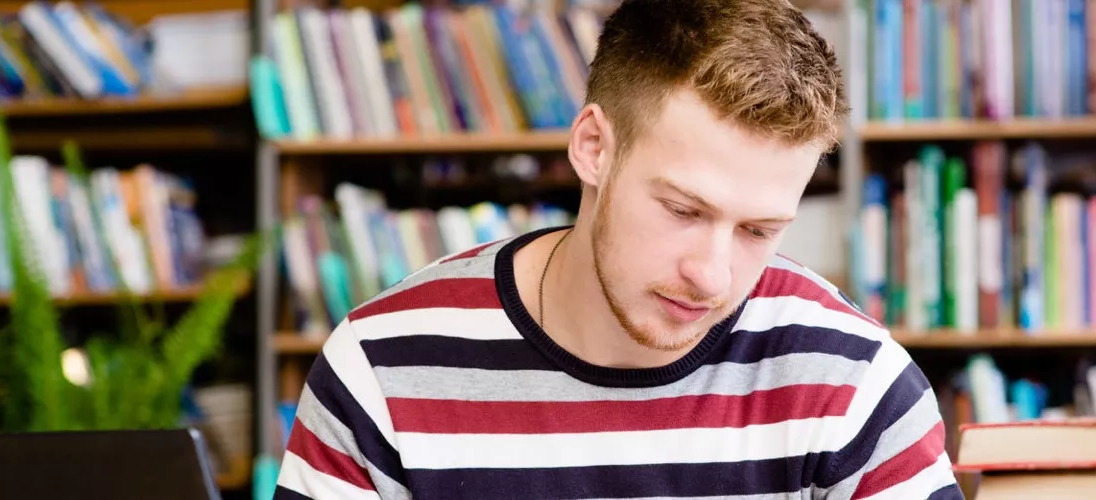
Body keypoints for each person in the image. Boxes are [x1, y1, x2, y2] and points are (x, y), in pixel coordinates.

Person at [275, 0, 961, 498]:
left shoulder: (853, 380)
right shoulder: (383, 365)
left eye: (759, 230)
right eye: (682, 210)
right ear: (594, 148)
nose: (712, 274)